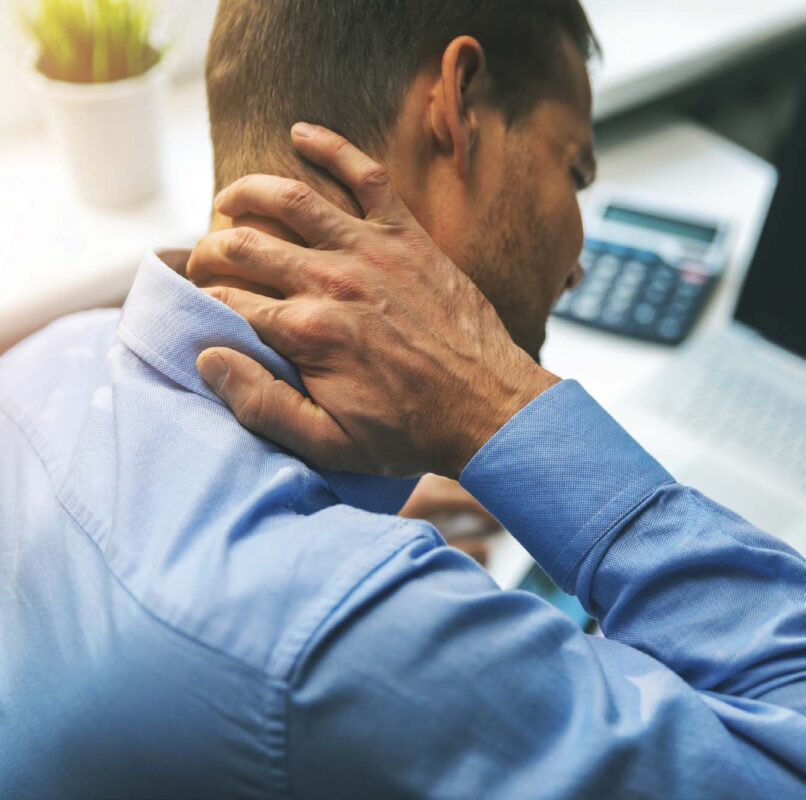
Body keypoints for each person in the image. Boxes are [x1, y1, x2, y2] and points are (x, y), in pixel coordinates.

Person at [0, 2, 803, 799]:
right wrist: (496, 405)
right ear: (458, 108)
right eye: (573, 172)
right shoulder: (346, 628)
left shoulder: (41, 367)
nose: (578, 269)